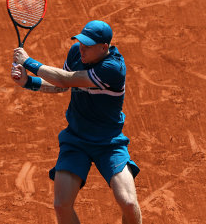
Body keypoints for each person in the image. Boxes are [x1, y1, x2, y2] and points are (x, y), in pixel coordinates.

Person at [11, 20, 142, 224]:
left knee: (129, 203)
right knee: (61, 205)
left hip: (108, 143)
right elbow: (60, 86)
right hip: (77, 140)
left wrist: (29, 62)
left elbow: (66, 79)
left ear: (104, 47)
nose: (82, 48)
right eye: (81, 42)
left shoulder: (113, 68)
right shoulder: (76, 53)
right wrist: (28, 82)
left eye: (88, 45)